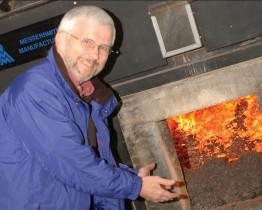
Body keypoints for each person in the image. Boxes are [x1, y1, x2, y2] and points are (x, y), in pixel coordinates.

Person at [0, 5, 180, 210]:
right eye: (87, 42)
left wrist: (132, 177)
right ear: (61, 40)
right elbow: (72, 165)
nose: (95, 55)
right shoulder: (34, 91)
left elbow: (90, 159)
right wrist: (136, 186)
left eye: (104, 48)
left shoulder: (86, 94)